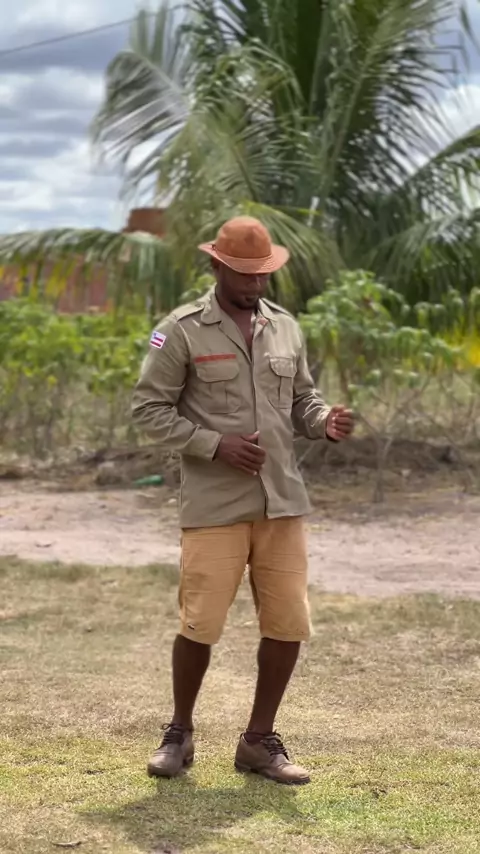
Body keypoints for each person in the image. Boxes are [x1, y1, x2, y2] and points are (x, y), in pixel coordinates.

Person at [132, 216, 354, 785]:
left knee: (287, 623)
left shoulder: (286, 328)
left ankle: (259, 741)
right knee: (199, 624)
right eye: (244, 274)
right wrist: (215, 444)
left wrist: (323, 422)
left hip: (282, 501)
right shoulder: (180, 330)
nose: (255, 284)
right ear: (216, 266)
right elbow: (148, 410)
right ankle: (179, 733)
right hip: (215, 506)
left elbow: (302, 400)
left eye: (263, 275)